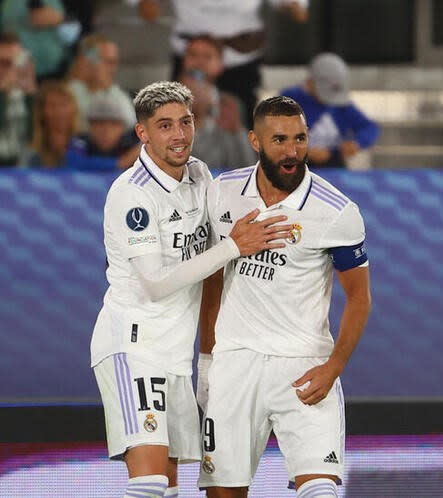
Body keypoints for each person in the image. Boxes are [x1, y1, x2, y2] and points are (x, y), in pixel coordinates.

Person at [89, 81, 293, 498]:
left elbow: (215, 268)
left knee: (168, 489)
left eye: (185, 122)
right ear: (142, 133)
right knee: (148, 484)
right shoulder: (133, 195)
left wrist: (207, 357)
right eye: (164, 126)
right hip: (133, 345)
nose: (179, 135)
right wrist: (235, 245)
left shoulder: (200, 175)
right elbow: (155, 284)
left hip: (176, 356)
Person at [197, 96, 371, 497]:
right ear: (254, 141)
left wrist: (335, 366)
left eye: (300, 138)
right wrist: (207, 361)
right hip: (235, 363)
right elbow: (212, 282)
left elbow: (359, 298)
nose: (292, 152)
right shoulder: (222, 191)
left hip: (304, 366)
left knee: (321, 491)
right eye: (279, 140)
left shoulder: (337, 211)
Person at [128, 0, 309, 128]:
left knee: (241, 120)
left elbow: (299, 11)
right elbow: (146, 9)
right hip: (192, 56)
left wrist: (292, 6)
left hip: (240, 58)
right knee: (177, 116)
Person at [281, 53, 379, 169]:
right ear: (310, 82)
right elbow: (274, 135)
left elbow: (370, 127)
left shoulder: (341, 105)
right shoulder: (289, 99)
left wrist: (356, 143)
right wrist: (305, 152)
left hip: (334, 166)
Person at [178, 70, 256, 169]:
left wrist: (237, 129)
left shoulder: (225, 128)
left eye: (198, 90)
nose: (193, 98)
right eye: (186, 92)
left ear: (210, 93)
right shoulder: (170, 132)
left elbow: (249, 166)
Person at [66, 33, 136, 133]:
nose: (114, 69)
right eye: (108, 62)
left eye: (115, 62)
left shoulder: (115, 93)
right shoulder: (69, 92)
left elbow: (130, 124)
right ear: (87, 62)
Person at [64, 96, 140, 171]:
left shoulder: (132, 145)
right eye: (100, 123)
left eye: (113, 124)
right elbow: (74, 162)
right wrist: (121, 163)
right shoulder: (80, 142)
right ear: (90, 125)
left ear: (123, 127)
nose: (106, 130)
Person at [21, 79, 78, 168]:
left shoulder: (84, 145)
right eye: (53, 106)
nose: (60, 112)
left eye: (64, 105)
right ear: (42, 112)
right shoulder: (31, 153)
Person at [0, 32, 35, 167]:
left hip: (21, 170)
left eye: (16, 63)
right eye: (5, 63)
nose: (12, 70)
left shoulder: (25, 97)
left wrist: (30, 98)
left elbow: (32, 138)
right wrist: (2, 92)